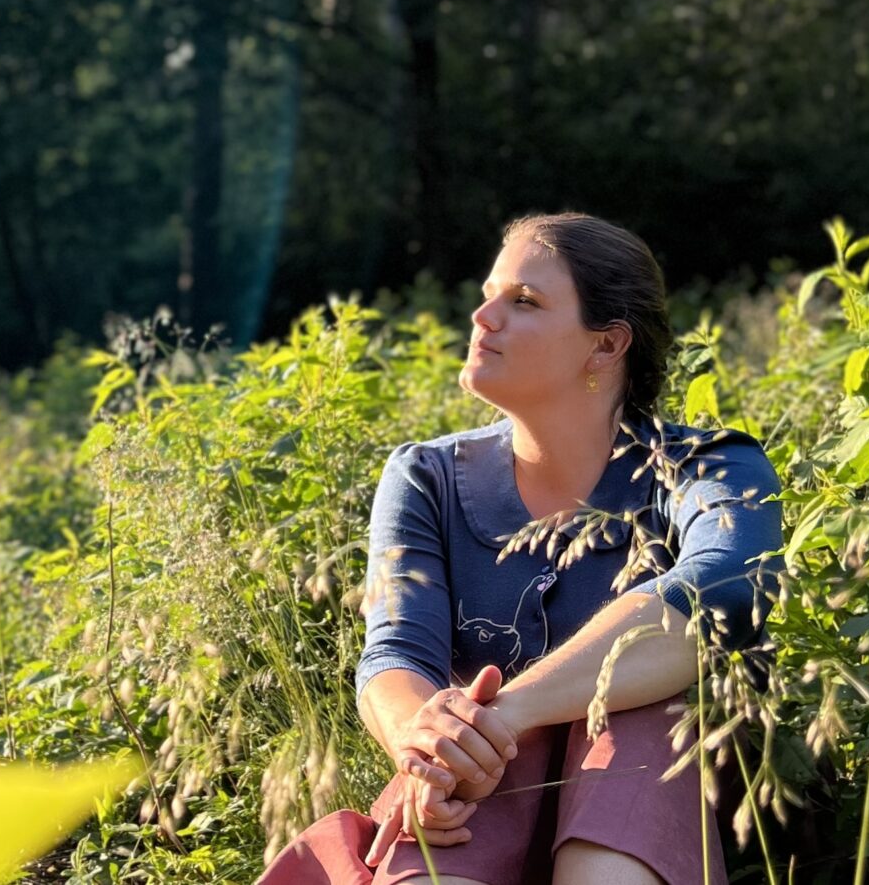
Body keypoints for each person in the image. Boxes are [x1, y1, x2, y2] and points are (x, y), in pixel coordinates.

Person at [257, 213, 785, 885]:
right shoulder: (426, 476)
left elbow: (723, 592)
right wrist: (429, 745)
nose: (482, 316)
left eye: (524, 301)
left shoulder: (707, 466)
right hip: (475, 800)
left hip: (656, 800)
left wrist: (505, 711)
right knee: (488, 745)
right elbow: (395, 651)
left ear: (606, 345)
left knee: (638, 711)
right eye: (488, 293)